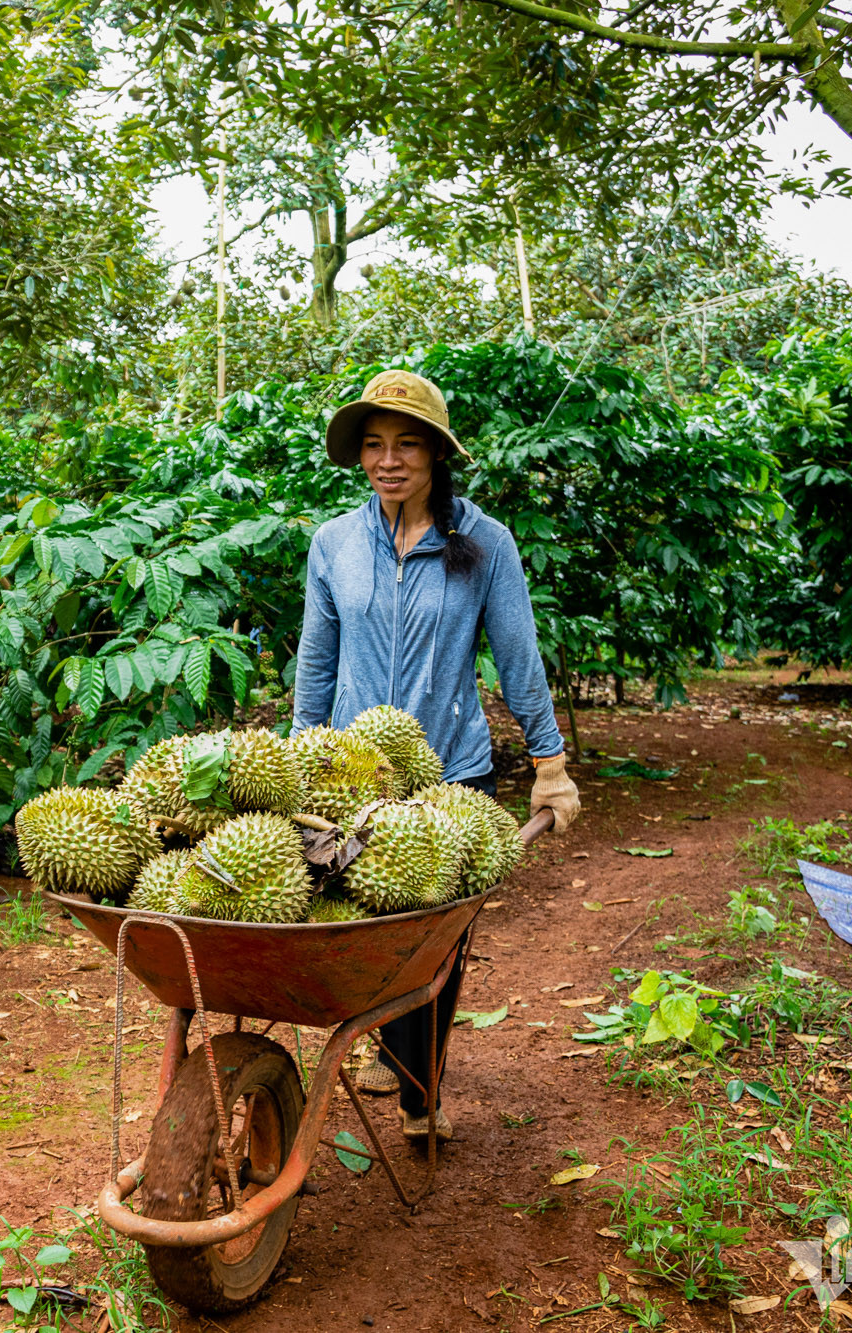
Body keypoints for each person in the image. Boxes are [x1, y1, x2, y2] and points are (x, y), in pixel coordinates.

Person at [293, 369, 579, 1142]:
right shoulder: (334, 544)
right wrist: (295, 762)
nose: (389, 461)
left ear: (436, 454)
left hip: (452, 771)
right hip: (353, 776)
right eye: (375, 445)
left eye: (407, 444)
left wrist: (548, 762)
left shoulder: (483, 542)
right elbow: (316, 663)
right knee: (366, 925)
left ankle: (422, 1092)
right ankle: (393, 1043)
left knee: (438, 937)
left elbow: (517, 657)